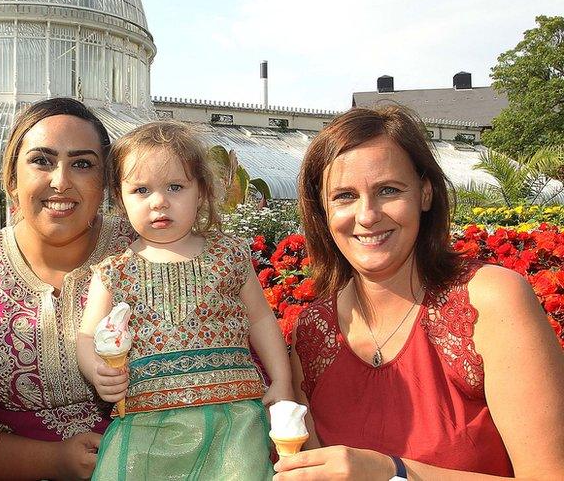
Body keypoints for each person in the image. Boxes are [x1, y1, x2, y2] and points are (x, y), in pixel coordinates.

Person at [278, 105, 564, 480]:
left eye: (388, 190)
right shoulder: (312, 331)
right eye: (344, 196)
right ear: (322, 210)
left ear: (425, 193)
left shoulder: (491, 300)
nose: (367, 216)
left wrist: (393, 473)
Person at [76, 121, 293, 480]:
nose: (159, 202)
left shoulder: (230, 255)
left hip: (233, 422)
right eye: (141, 190)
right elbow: (86, 336)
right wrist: (95, 370)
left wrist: (281, 380)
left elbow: (260, 320)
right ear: (119, 197)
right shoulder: (112, 272)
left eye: (175, 187)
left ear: (202, 191)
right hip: (145, 426)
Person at [0, 98, 136, 480]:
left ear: (106, 184)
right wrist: (54, 460)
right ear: (12, 179)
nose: (60, 181)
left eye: (82, 164)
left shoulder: (149, 257)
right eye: (41, 161)